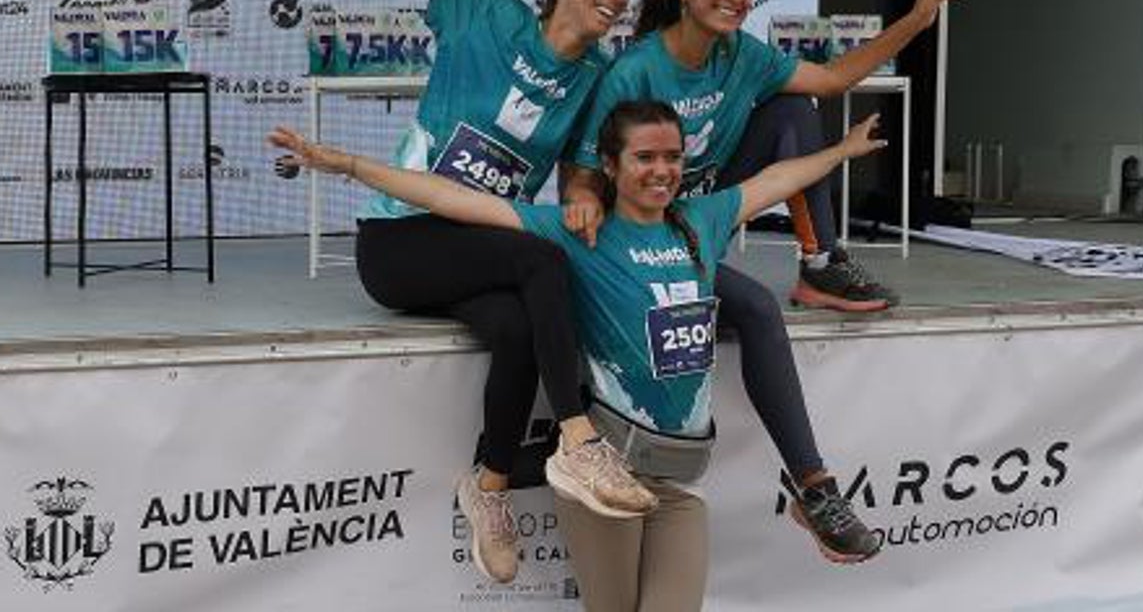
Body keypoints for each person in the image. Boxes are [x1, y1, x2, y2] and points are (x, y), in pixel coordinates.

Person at [267, 98, 887, 611]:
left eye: (672, 157)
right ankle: (495, 476)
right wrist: (346, 163)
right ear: (611, 166)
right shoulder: (579, 231)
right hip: (605, 478)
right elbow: (453, 200)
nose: (662, 170)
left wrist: (842, 151)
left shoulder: (702, 219)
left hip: (677, 484)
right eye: (645, 158)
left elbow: (776, 181)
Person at [267, 0, 655, 586]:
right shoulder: (482, 11)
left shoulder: (597, 78)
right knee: (541, 264)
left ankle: (487, 487)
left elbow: (584, 163)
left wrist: (583, 189)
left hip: (473, 249)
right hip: (399, 241)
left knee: (516, 329)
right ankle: (580, 442)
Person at [563, 0, 957, 553]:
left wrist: (915, 19)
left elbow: (831, 81)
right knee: (755, 309)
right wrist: (583, 199)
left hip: (701, 220)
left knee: (795, 108)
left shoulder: (741, 55)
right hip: (639, 243)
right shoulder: (635, 70)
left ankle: (820, 264)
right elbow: (585, 167)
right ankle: (815, 482)